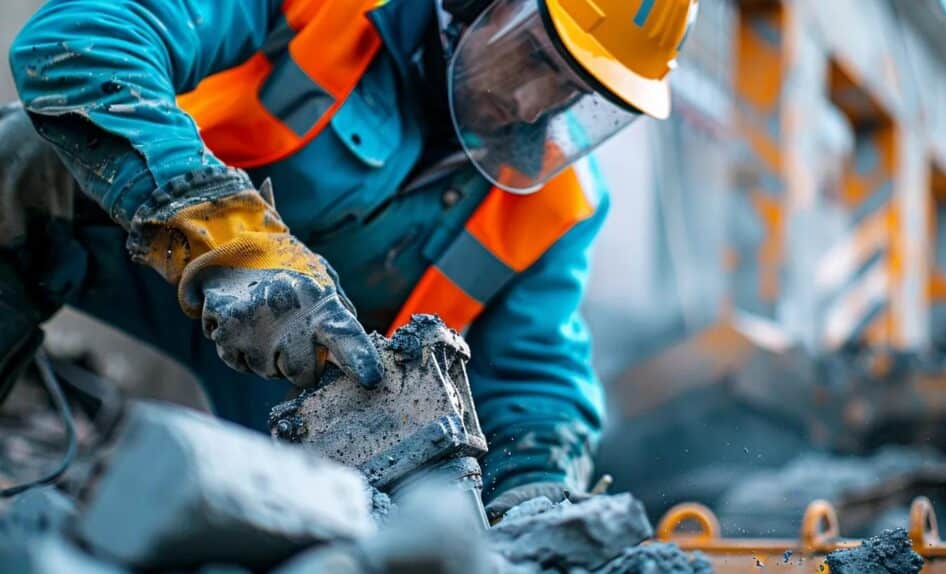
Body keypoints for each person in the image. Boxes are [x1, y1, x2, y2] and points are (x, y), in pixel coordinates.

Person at [0, 0, 698, 515]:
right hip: (152, 247)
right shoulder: (326, 9)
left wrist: (536, 496)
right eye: (536, 58)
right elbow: (80, 42)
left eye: (574, 91)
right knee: (23, 161)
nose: (530, 104)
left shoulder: (562, 200)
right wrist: (231, 244)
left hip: (305, 382)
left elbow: (535, 376)